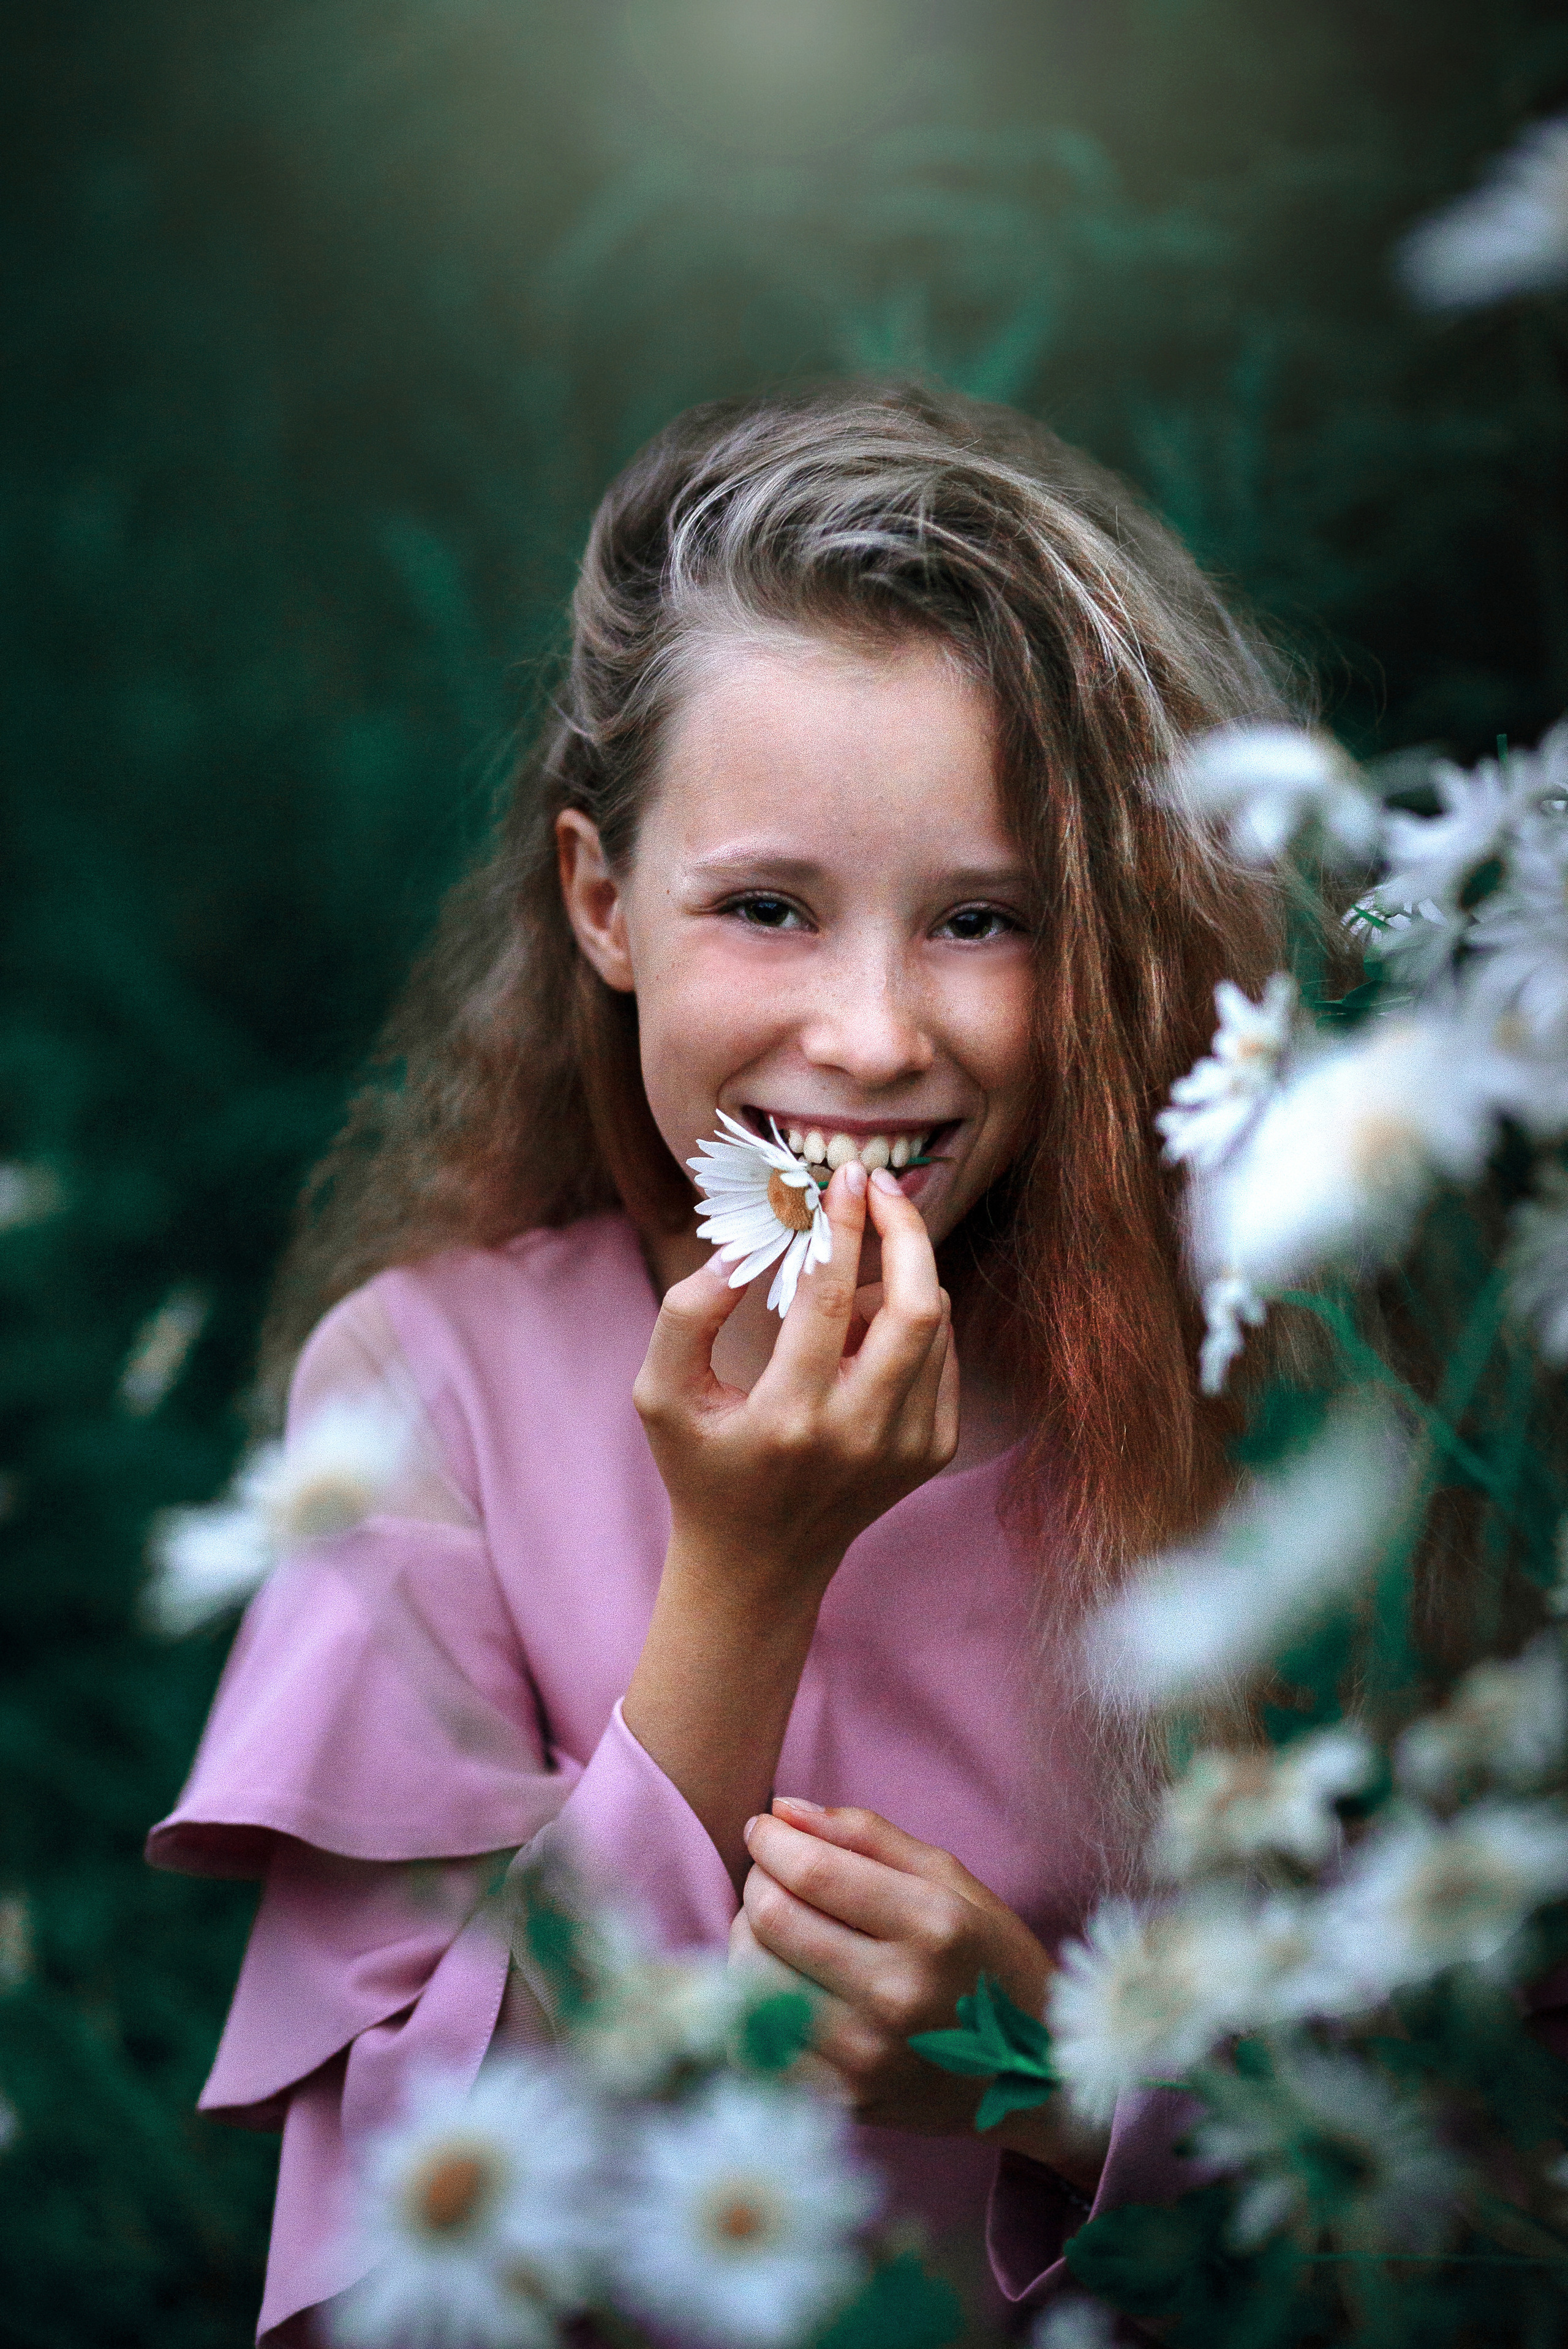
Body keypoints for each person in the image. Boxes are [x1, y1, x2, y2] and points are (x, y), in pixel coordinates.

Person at [146, 380, 1289, 2343]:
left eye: (983, 920)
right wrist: (745, 1579)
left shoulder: (1257, 1388)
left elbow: (1457, 2137)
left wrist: (1061, 2081)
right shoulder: (429, 1394)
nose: (868, 1034)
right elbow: (412, 2250)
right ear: (602, 901)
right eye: (768, 907)